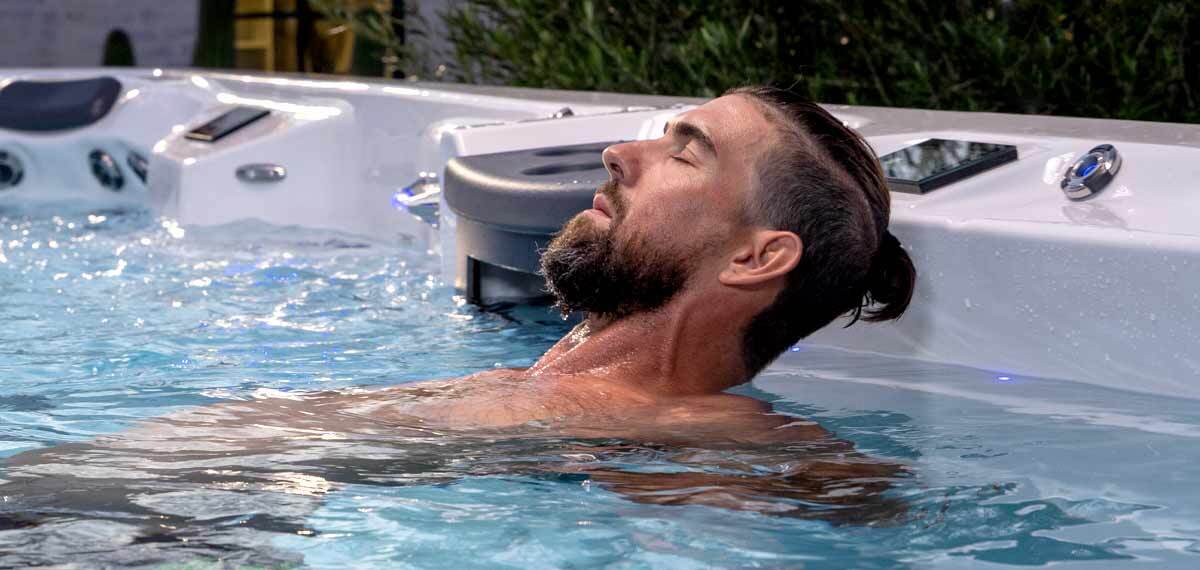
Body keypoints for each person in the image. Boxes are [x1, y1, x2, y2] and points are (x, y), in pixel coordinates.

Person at [1, 87, 916, 557]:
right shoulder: (569, 382)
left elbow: (854, 501)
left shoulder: (698, 434)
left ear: (756, 259)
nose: (620, 152)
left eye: (686, 154)